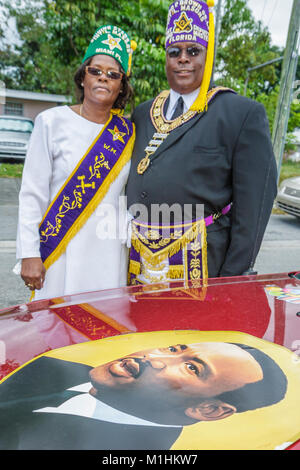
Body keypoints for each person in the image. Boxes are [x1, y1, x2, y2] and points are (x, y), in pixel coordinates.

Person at [126, 0, 277, 285]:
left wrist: (229, 281)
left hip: (205, 268)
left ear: (207, 57)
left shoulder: (240, 113)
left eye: (193, 51)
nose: (183, 59)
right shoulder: (144, 113)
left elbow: (253, 210)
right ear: (166, 59)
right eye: (174, 52)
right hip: (139, 264)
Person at [15, 25, 136, 300]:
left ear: (121, 87)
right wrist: (30, 253)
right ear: (83, 77)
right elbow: (32, 194)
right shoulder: (51, 122)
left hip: (107, 255)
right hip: (60, 253)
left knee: (103, 333)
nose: (103, 79)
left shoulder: (127, 134)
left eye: (113, 75)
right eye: (96, 71)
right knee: (55, 333)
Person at [0, 341, 287, 449]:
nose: (152, 356)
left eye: (191, 367)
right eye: (175, 349)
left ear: (209, 410)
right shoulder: (53, 363)